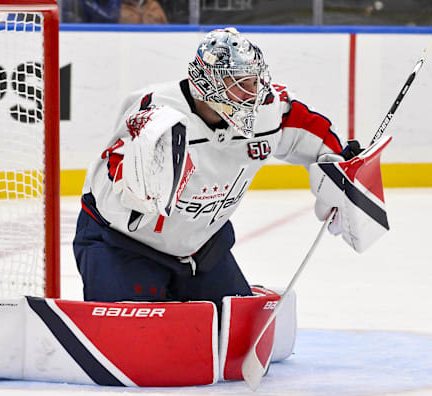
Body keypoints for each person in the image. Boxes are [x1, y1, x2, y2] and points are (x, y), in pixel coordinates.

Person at [73, 27, 360, 314]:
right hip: (123, 245)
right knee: (137, 343)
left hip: (202, 249)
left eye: (254, 81)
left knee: (235, 334)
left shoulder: (267, 109)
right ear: (208, 84)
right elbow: (119, 169)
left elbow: (310, 131)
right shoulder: (158, 116)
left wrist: (340, 170)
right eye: (240, 83)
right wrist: (147, 179)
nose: (253, 93)